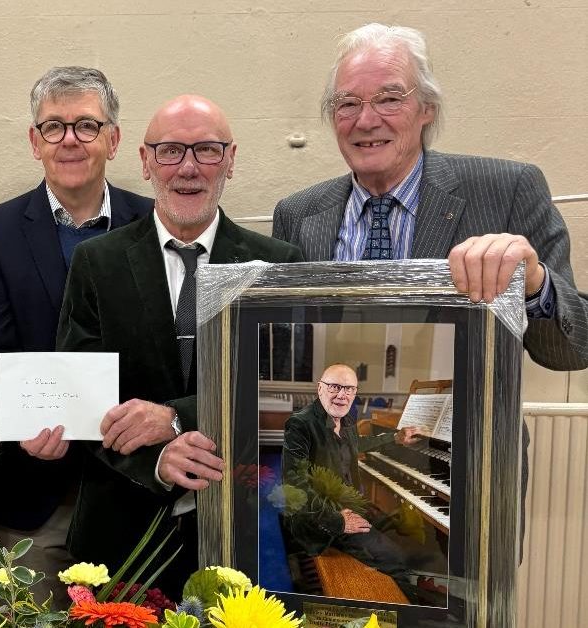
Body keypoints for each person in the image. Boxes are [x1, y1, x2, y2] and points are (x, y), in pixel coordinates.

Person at [55, 95, 302, 594]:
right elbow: (81, 399)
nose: (188, 168)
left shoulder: (276, 265)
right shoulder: (96, 263)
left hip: (241, 532)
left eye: (207, 150)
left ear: (230, 159)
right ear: (146, 162)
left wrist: (178, 419)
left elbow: (285, 392)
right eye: (170, 151)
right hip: (122, 540)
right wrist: (157, 461)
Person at [272, 22, 588, 371]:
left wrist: (533, 284)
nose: (365, 120)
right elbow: (285, 354)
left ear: (427, 109)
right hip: (337, 418)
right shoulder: (297, 214)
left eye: (389, 99)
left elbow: (570, 354)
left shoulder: (509, 190)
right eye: (348, 103)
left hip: (468, 425)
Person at [0, 66, 150, 593]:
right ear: (34, 141)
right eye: (54, 127)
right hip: (33, 492)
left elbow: (163, 350)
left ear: (113, 140)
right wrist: (30, 420)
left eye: (87, 126)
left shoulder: (150, 223)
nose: (70, 140)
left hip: (132, 488)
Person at [280, 364, 426, 600]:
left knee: (404, 534)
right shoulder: (301, 425)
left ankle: (412, 590)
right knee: (396, 557)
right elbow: (294, 486)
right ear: (320, 389)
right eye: (335, 387)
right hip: (319, 519)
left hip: (347, 504)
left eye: (349, 389)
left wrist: (396, 438)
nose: (342, 394)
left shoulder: (345, 420)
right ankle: (408, 612)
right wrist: (338, 521)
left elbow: (358, 444)